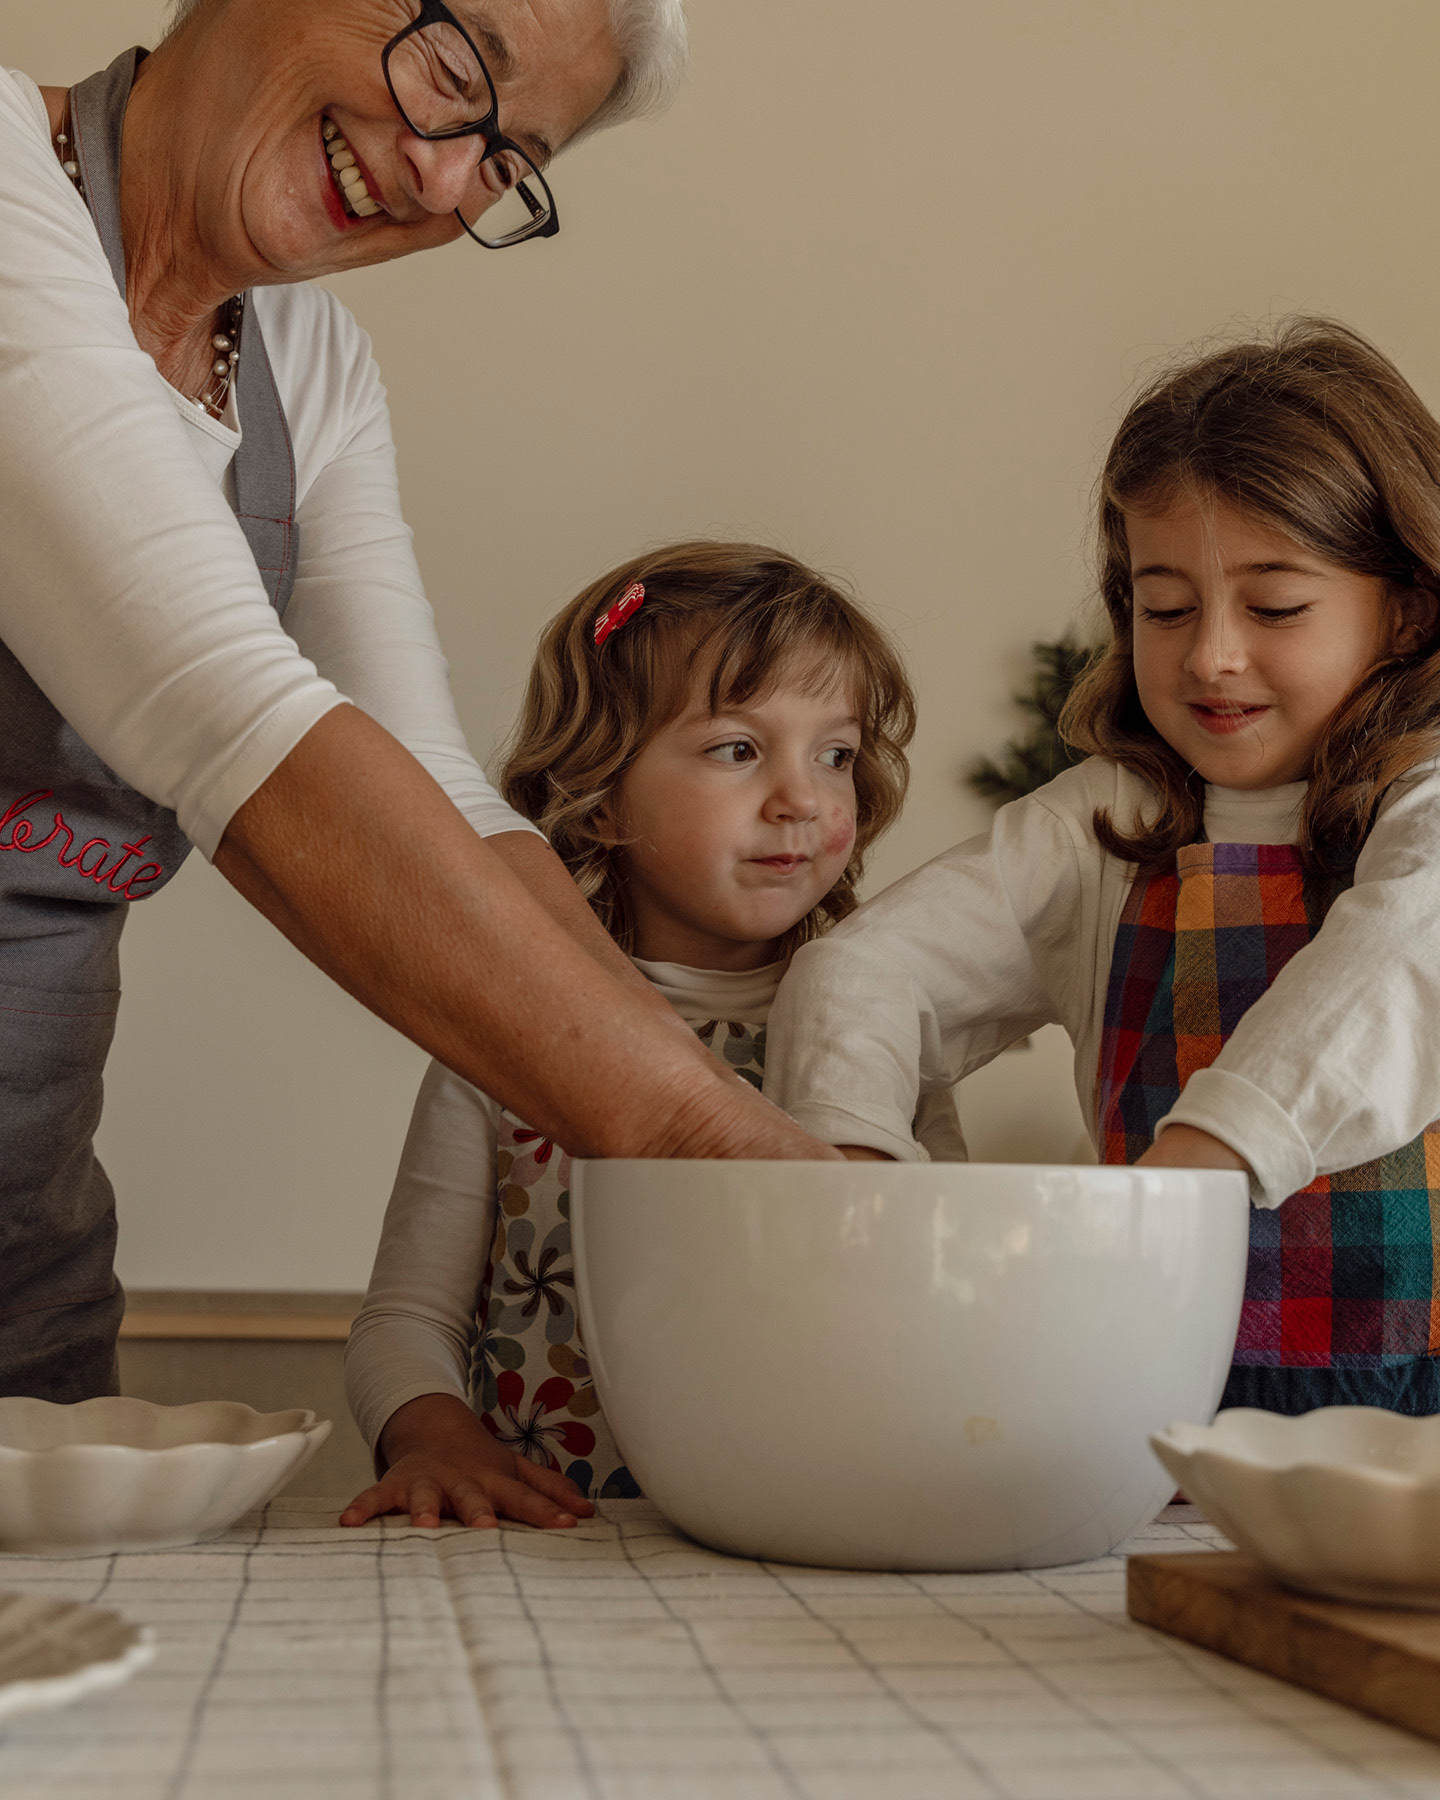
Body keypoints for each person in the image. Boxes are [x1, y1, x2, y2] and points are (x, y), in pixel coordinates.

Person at [0, 1, 827, 1403]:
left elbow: (436, 790)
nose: (443, 177)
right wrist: (700, 1142)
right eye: (454, 76)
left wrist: (718, 1105)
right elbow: (221, 709)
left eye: (505, 162)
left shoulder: (310, 380)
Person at [766, 318, 1440, 1417]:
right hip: (1155, 1415)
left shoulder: (1426, 804)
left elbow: (1403, 956)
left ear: (1406, 607)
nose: (1211, 653)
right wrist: (869, 1192)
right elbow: (860, 977)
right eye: (1163, 606)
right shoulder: (1106, 827)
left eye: (1274, 606)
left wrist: (1202, 1165)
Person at [340, 541, 955, 1528]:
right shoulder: (509, 1037)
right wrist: (429, 1434)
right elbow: (403, 1319)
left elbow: (937, 1304)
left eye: (834, 754)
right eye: (738, 749)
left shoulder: (881, 1032)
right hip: (548, 1551)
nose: (803, 797)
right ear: (603, 794)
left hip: (803, 1545)